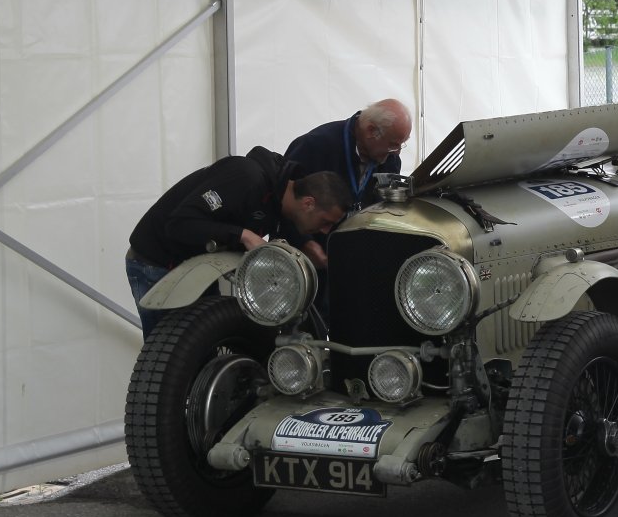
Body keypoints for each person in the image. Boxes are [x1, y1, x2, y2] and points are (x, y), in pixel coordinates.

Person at [126, 149, 352, 339]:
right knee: (165, 360)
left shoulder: (281, 197)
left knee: (205, 347)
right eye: (325, 222)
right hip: (157, 263)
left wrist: (307, 245)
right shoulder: (246, 179)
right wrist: (243, 234)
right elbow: (178, 224)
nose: (325, 231)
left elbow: (286, 224)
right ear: (309, 203)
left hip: (197, 266)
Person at [284, 99, 411, 268]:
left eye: (402, 144)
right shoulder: (314, 145)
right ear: (371, 130)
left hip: (355, 262)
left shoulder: (391, 160)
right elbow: (283, 200)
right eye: (393, 145)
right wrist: (304, 243)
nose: (397, 152)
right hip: (303, 264)